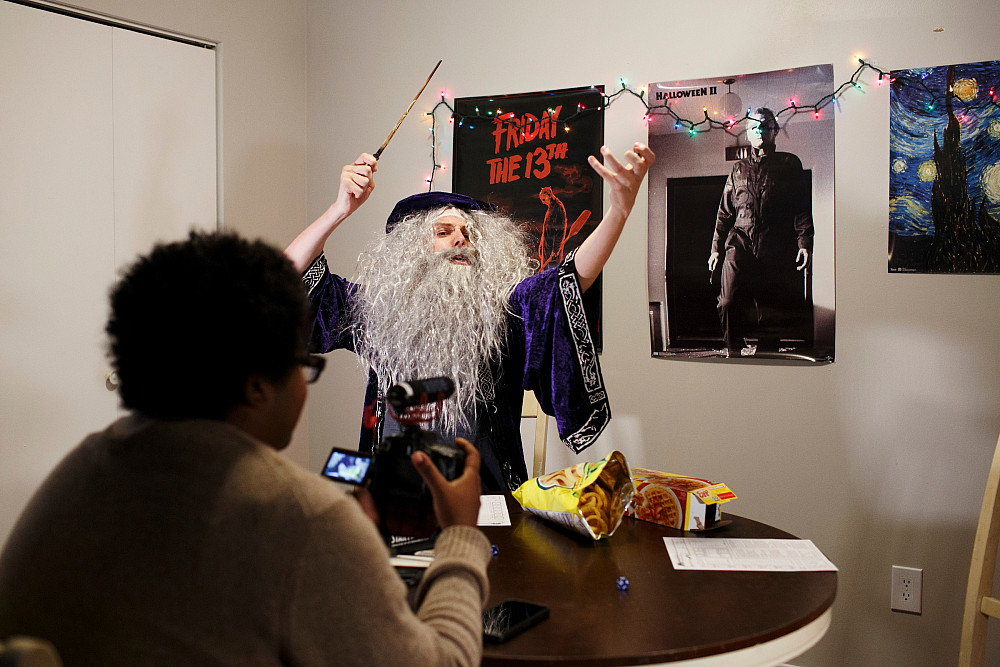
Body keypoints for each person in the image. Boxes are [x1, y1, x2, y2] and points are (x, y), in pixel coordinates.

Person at [0, 232, 490, 666]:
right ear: (257, 388)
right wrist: (460, 535)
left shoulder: (80, 469)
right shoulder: (306, 517)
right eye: (304, 365)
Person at [286, 144, 654, 492]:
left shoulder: (505, 309)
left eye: (469, 233)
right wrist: (339, 209)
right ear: (413, 250)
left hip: (484, 498)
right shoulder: (379, 308)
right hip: (393, 496)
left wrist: (619, 211)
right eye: (444, 232)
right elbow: (288, 278)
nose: (462, 240)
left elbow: (567, 280)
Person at [707, 107, 814, 357]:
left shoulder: (789, 164)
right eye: (754, 126)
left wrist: (805, 243)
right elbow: (724, 212)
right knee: (728, 300)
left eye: (765, 126)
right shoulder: (738, 169)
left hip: (774, 243)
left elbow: (801, 207)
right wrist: (715, 249)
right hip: (740, 240)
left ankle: (766, 356)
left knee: (770, 307)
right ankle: (733, 350)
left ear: (775, 131)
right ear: (747, 132)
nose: (759, 131)